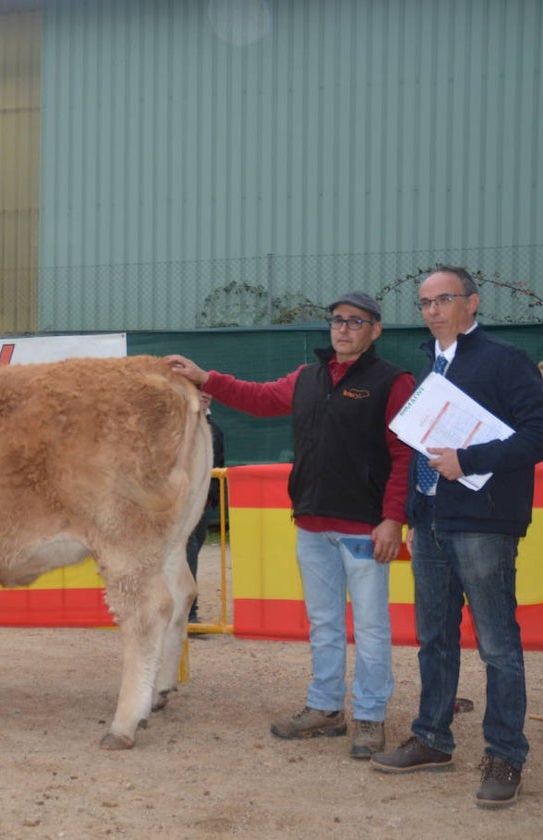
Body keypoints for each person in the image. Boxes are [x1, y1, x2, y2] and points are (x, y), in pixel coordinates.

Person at [166, 291, 414, 760]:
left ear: (375, 330)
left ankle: (369, 717)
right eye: (337, 320)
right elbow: (258, 399)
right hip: (312, 523)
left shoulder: (393, 382)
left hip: (365, 528)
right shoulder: (308, 377)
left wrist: (393, 518)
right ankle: (324, 708)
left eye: (355, 322)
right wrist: (205, 377)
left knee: (372, 626)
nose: (343, 329)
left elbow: (405, 455)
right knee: (323, 622)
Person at [371, 266, 543, 809]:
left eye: (443, 299)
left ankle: (504, 754)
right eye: (424, 302)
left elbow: (538, 432)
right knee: (435, 638)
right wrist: (413, 509)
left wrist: (468, 459)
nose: (432, 310)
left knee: (497, 645)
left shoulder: (507, 361)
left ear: (473, 302)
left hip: (484, 521)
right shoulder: (430, 363)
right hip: (432, 520)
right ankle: (432, 737)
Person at [185, 391, 225, 626]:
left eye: (206, 393)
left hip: (203, 504)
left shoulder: (214, 429)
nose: (203, 397)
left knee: (192, 550)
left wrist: (212, 501)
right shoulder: (176, 427)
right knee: (187, 551)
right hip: (181, 504)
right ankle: (188, 613)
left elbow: (218, 465)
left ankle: (184, 610)